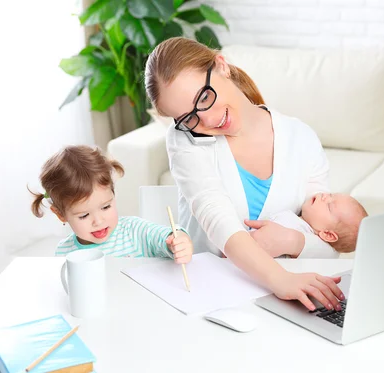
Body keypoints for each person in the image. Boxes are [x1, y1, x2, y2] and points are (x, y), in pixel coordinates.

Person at [144, 37, 344, 312]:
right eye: (189, 117)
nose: (209, 120)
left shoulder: (301, 138)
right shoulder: (185, 139)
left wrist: (290, 241)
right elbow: (217, 219)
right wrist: (281, 279)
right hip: (211, 298)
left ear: (222, 66)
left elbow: (331, 244)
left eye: (204, 97)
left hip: (283, 299)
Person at [29, 145, 193, 263]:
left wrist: (178, 241)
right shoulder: (64, 252)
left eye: (106, 207)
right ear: (60, 214)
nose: (98, 221)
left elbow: (162, 237)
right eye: (84, 215)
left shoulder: (133, 230)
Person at [266, 193, 368, 257]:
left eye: (329, 206)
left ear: (328, 234)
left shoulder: (292, 229)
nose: (324, 196)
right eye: (331, 195)